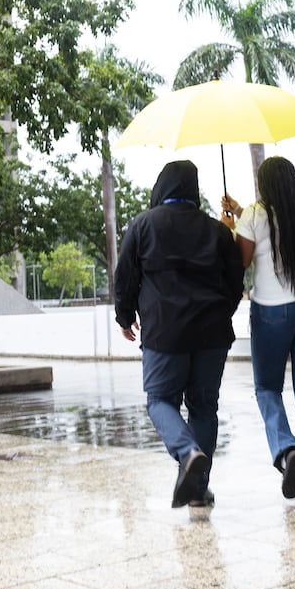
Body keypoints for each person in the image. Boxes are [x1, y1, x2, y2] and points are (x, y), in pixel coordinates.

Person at [114, 160, 245, 508]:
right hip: (212, 335)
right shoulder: (217, 231)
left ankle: (187, 453)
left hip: (164, 334)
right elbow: (235, 283)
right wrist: (219, 314)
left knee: (159, 401)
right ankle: (199, 490)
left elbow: (124, 276)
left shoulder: (143, 225)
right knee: (204, 408)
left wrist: (124, 316)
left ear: (162, 187)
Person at [222, 156, 295, 502]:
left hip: (273, 312)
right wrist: (241, 214)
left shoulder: (256, 214)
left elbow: (240, 261)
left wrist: (230, 227)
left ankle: (287, 448)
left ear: (264, 184)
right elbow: (273, 231)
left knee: (267, 389)